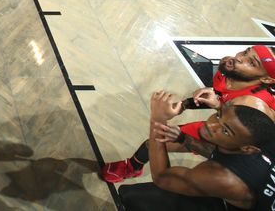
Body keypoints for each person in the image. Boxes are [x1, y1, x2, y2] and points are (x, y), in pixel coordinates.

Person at [102, 45, 275, 183]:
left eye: (251, 63)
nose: (239, 58)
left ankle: (131, 168)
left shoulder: (252, 107)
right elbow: (222, 101)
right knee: (158, 140)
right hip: (227, 125)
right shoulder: (231, 71)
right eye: (245, 52)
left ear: (267, 79)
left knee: (156, 142)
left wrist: (186, 140)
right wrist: (184, 105)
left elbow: (232, 156)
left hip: (242, 151)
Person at [118, 91, 275, 211]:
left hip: (238, 197)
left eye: (225, 131)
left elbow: (162, 178)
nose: (211, 125)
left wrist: (158, 119)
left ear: (248, 149)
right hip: (247, 194)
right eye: (218, 116)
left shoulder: (223, 179)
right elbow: (222, 154)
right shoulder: (261, 140)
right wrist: (184, 139)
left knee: (132, 198)